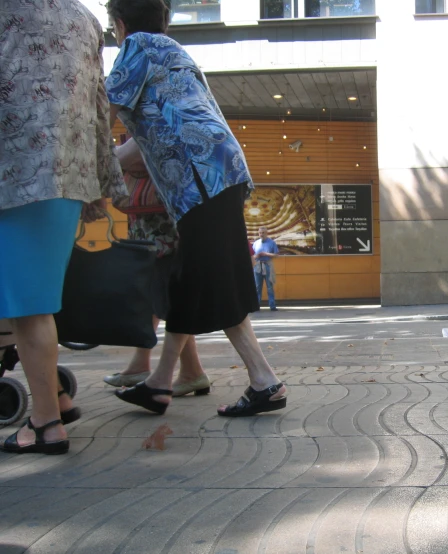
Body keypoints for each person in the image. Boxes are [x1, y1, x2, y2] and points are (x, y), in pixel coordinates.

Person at [105, 0, 286, 417]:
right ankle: (163, 383)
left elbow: (102, 114)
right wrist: (110, 162)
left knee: (208, 279)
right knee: (198, 278)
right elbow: (138, 145)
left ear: (119, 24)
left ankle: (261, 381)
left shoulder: (135, 47)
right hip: (219, 171)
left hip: (200, 178)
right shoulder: (172, 52)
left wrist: (84, 172)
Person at [0, 0, 121, 454]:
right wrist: (101, 181)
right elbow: (97, 102)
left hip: (13, 173)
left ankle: (47, 424)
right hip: (67, 175)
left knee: (27, 306)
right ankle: (58, 399)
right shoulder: (84, 18)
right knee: (33, 301)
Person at [102, 140, 210, 396]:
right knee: (165, 295)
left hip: (163, 222)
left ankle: (171, 372)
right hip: (158, 220)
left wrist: (109, 158)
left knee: (167, 295)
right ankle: (189, 371)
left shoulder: (150, 114)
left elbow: (138, 150)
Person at [253, 226, 280, 311]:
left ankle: (272, 305)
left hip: (268, 265)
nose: (261, 234)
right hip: (258, 266)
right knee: (257, 287)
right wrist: (257, 255)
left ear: (266, 233)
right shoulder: (256, 243)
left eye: (263, 233)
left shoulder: (271, 242)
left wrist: (266, 254)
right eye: (260, 233)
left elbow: (276, 255)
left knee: (269, 286)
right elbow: (252, 256)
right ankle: (256, 306)